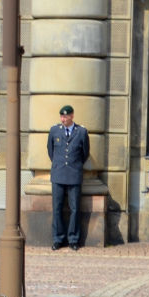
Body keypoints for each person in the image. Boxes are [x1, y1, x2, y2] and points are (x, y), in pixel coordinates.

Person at [46, 104, 90, 251]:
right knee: (57, 208)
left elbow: (85, 153)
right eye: (61, 116)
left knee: (75, 209)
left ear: (72, 116)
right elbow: (50, 151)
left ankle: (73, 238)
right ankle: (58, 238)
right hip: (58, 174)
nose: (63, 119)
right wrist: (60, 165)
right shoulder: (54, 131)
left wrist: (74, 165)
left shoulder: (81, 132)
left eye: (66, 116)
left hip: (74, 174)